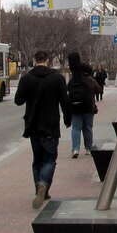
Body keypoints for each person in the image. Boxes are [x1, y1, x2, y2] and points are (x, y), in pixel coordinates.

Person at [14, 50, 71, 209]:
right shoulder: (57, 78)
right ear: (47, 61)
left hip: (33, 125)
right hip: (51, 125)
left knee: (37, 159)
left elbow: (18, 100)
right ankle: (44, 184)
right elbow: (65, 102)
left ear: (34, 60)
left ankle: (39, 189)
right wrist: (68, 119)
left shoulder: (26, 78)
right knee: (50, 159)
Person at [67, 53, 102, 159]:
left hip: (75, 107)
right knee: (88, 128)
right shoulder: (89, 80)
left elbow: (67, 91)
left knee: (75, 128)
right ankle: (88, 149)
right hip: (88, 107)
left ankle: (75, 149)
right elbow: (99, 90)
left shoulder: (72, 80)